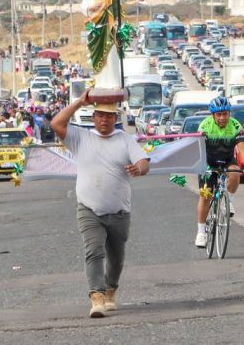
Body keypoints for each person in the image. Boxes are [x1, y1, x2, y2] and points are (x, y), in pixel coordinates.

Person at [51, 90, 150, 318]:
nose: (104, 120)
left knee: (116, 257)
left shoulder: (125, 140)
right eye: (100, 116)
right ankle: (96, 296)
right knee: (94, 251)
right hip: (89, 209)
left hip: (119, 212)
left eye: (109, 116)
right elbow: (56, 123)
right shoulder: (81, 137)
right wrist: (79, 102)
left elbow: (144, 162)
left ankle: (110, 290)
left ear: (115, 119)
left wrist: (139, 169)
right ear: (93, 117)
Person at [194, 97, 244, 248]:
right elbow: (198, 147)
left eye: (225, 114)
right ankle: (201, 232)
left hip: (227, 159)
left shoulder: (235, 125)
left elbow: (242, 146)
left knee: (236, 172)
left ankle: (227, 201)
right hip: (208, 162)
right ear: (213, 115)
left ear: (229, 114)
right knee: (205, 196)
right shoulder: (205, 125)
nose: (222, 118)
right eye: (219, 115)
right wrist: (200, 165)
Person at [81, 0, 123, 89]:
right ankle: (100, 82)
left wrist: (116, 22)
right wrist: (91, 7)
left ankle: (114, 82)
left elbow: (117, 7)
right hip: (96, 28)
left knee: (111, 54)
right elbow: (83, 7)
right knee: (97, 54)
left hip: (109, 27)